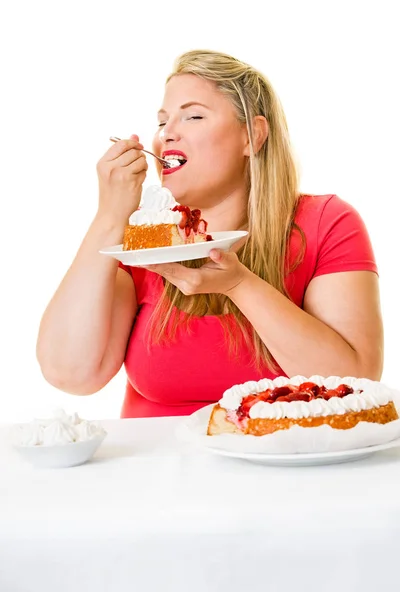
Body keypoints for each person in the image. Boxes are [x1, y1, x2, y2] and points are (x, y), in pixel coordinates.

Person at [36, 49, 383, 418]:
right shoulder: (143, 241)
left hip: (284, 467)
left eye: (194, 116)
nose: (167, 134)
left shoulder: (327, 223)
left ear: (253, 136)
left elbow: (355, 379)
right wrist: (109, 215)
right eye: (162, 122)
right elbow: (70, 374)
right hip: (156, 469)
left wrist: (240, 286)